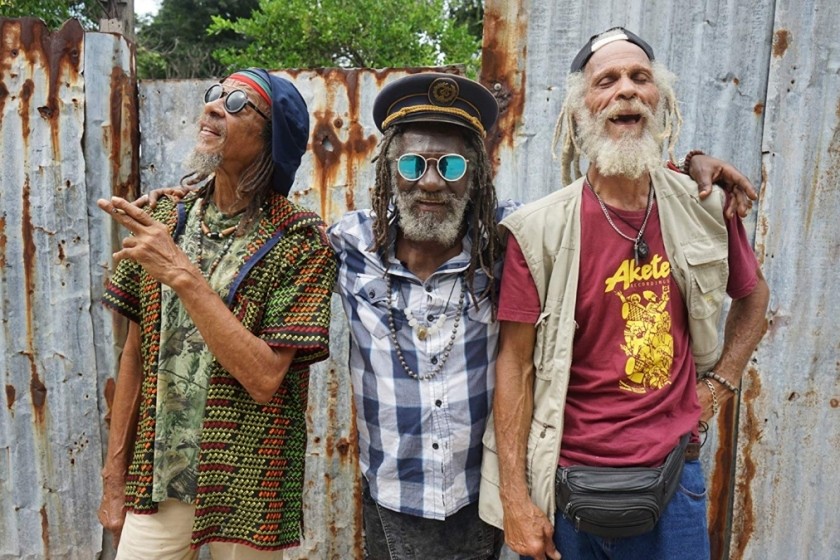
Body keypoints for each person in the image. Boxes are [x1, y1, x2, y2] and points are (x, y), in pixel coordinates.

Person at [326, 72, 760, 560]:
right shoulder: (347, 245)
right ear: (389, 171)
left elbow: (613, 183)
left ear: (475, 174)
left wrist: (687, 166)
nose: (430, 182)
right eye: (412, 164)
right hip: (393, 498)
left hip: (478, 497)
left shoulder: (510, 239)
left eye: (450, 165)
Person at [478, 27, 771, 560]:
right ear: (580, 109)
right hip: (567, 486)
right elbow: (514, 363)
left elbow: (753, 298)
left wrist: (719, 386)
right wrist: (515, 499)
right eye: (606, 80)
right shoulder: (537, 231)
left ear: (661, 99)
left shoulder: (703, 205)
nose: (626, 90)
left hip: (675, 480)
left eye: (640, 77)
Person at [96, 67, 336, 559]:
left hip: (247, 479)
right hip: (159, 476)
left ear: (271, 141)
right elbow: (135, 354)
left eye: (237, 104)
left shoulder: (299, 241)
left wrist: (182, 274)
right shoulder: (164, 219)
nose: (212, 107)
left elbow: (265, 378)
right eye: (215, 95)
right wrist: (114, 476)